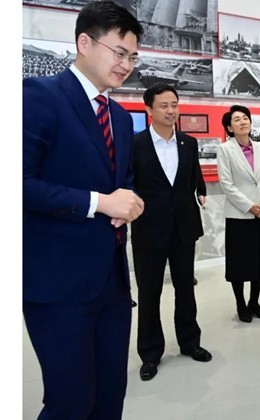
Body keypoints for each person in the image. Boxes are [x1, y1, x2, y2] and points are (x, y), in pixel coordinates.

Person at [23, 2, 144, 418]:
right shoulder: (39, 96)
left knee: (111, 397)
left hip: (112, 282)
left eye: (133, 57)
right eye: (119, 52)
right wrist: (99, 203)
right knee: (71, 401)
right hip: (57, 283)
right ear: (84, 43)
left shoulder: (120, 117)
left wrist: (130, 201)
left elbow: (123, 180)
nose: (126, 65)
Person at [131, 84, 211, 382]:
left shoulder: (188, 143)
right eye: (164, 105)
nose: (171, 111)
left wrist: (200, 192)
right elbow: (129, 183)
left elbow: (192, 177)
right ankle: (150, 353)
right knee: (149, 292)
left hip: (183, 227)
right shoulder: (135, 144)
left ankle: (190, 342)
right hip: (148, 229)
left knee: (185, 288)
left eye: (174, 105)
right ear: (149, 110)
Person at [218, 105, 260, 323]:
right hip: (240, 215)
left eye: (245, 118)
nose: (242, 122)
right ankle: (240, 304)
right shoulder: (225, 149)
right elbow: (227, 185)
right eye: (237, 119)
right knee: (239, 264)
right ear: (230, 127)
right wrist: (250, 206)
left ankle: (254, 302)